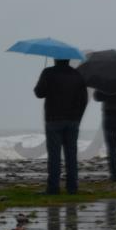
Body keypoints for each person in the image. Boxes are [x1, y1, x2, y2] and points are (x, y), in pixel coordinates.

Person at [34, 59, 88, 194]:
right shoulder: (77, 75)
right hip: (73, 120)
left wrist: (44, 79)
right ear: (69, 59)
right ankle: (72, 188)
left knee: (54, 156)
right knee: (71, 155)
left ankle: (53, 188)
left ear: (55, 59)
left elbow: (39, 93)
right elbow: (84, 99)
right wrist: (78, 118)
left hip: (53, 119)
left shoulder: (48, 72)